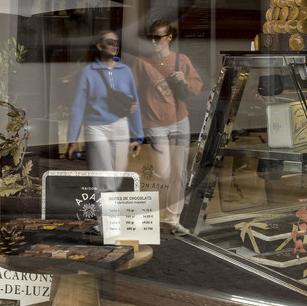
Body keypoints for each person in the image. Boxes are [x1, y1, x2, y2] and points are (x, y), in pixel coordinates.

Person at [133, 19, 204, 223]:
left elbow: (196, 87)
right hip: (155, 123)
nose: (153, 42)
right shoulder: (142, 62)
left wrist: (184, 81)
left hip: (180, 120)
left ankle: (172, 217)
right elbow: (130, 89)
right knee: (163, 172)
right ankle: (149, 210)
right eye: (151, 37)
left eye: (158, 38)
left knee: (179, 172)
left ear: (169, 37)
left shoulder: (180, 60)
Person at [66, 30, 143, 173]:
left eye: (117, 43)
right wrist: (72, 140)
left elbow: (134, 103)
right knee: (104, 176)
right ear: (100, 46)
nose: (115, 46)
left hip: (121, 126)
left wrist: (138, 136)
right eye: (110, 42)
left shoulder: (126, 71)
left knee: (119, 174)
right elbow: (78, 107)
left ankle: (109, 195)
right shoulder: (88, 72)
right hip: (96, 128)